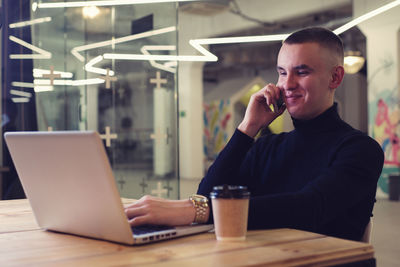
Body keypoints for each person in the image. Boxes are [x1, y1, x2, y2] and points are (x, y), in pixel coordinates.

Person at [125, 27, 384, 242]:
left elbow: (310, 208)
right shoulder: (266, 146)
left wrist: (196, 211)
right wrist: (247, 128)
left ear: (335, 77)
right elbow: (208, 193)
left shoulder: (360, 149)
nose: (287, 84)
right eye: (282, 72)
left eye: (302, 72)